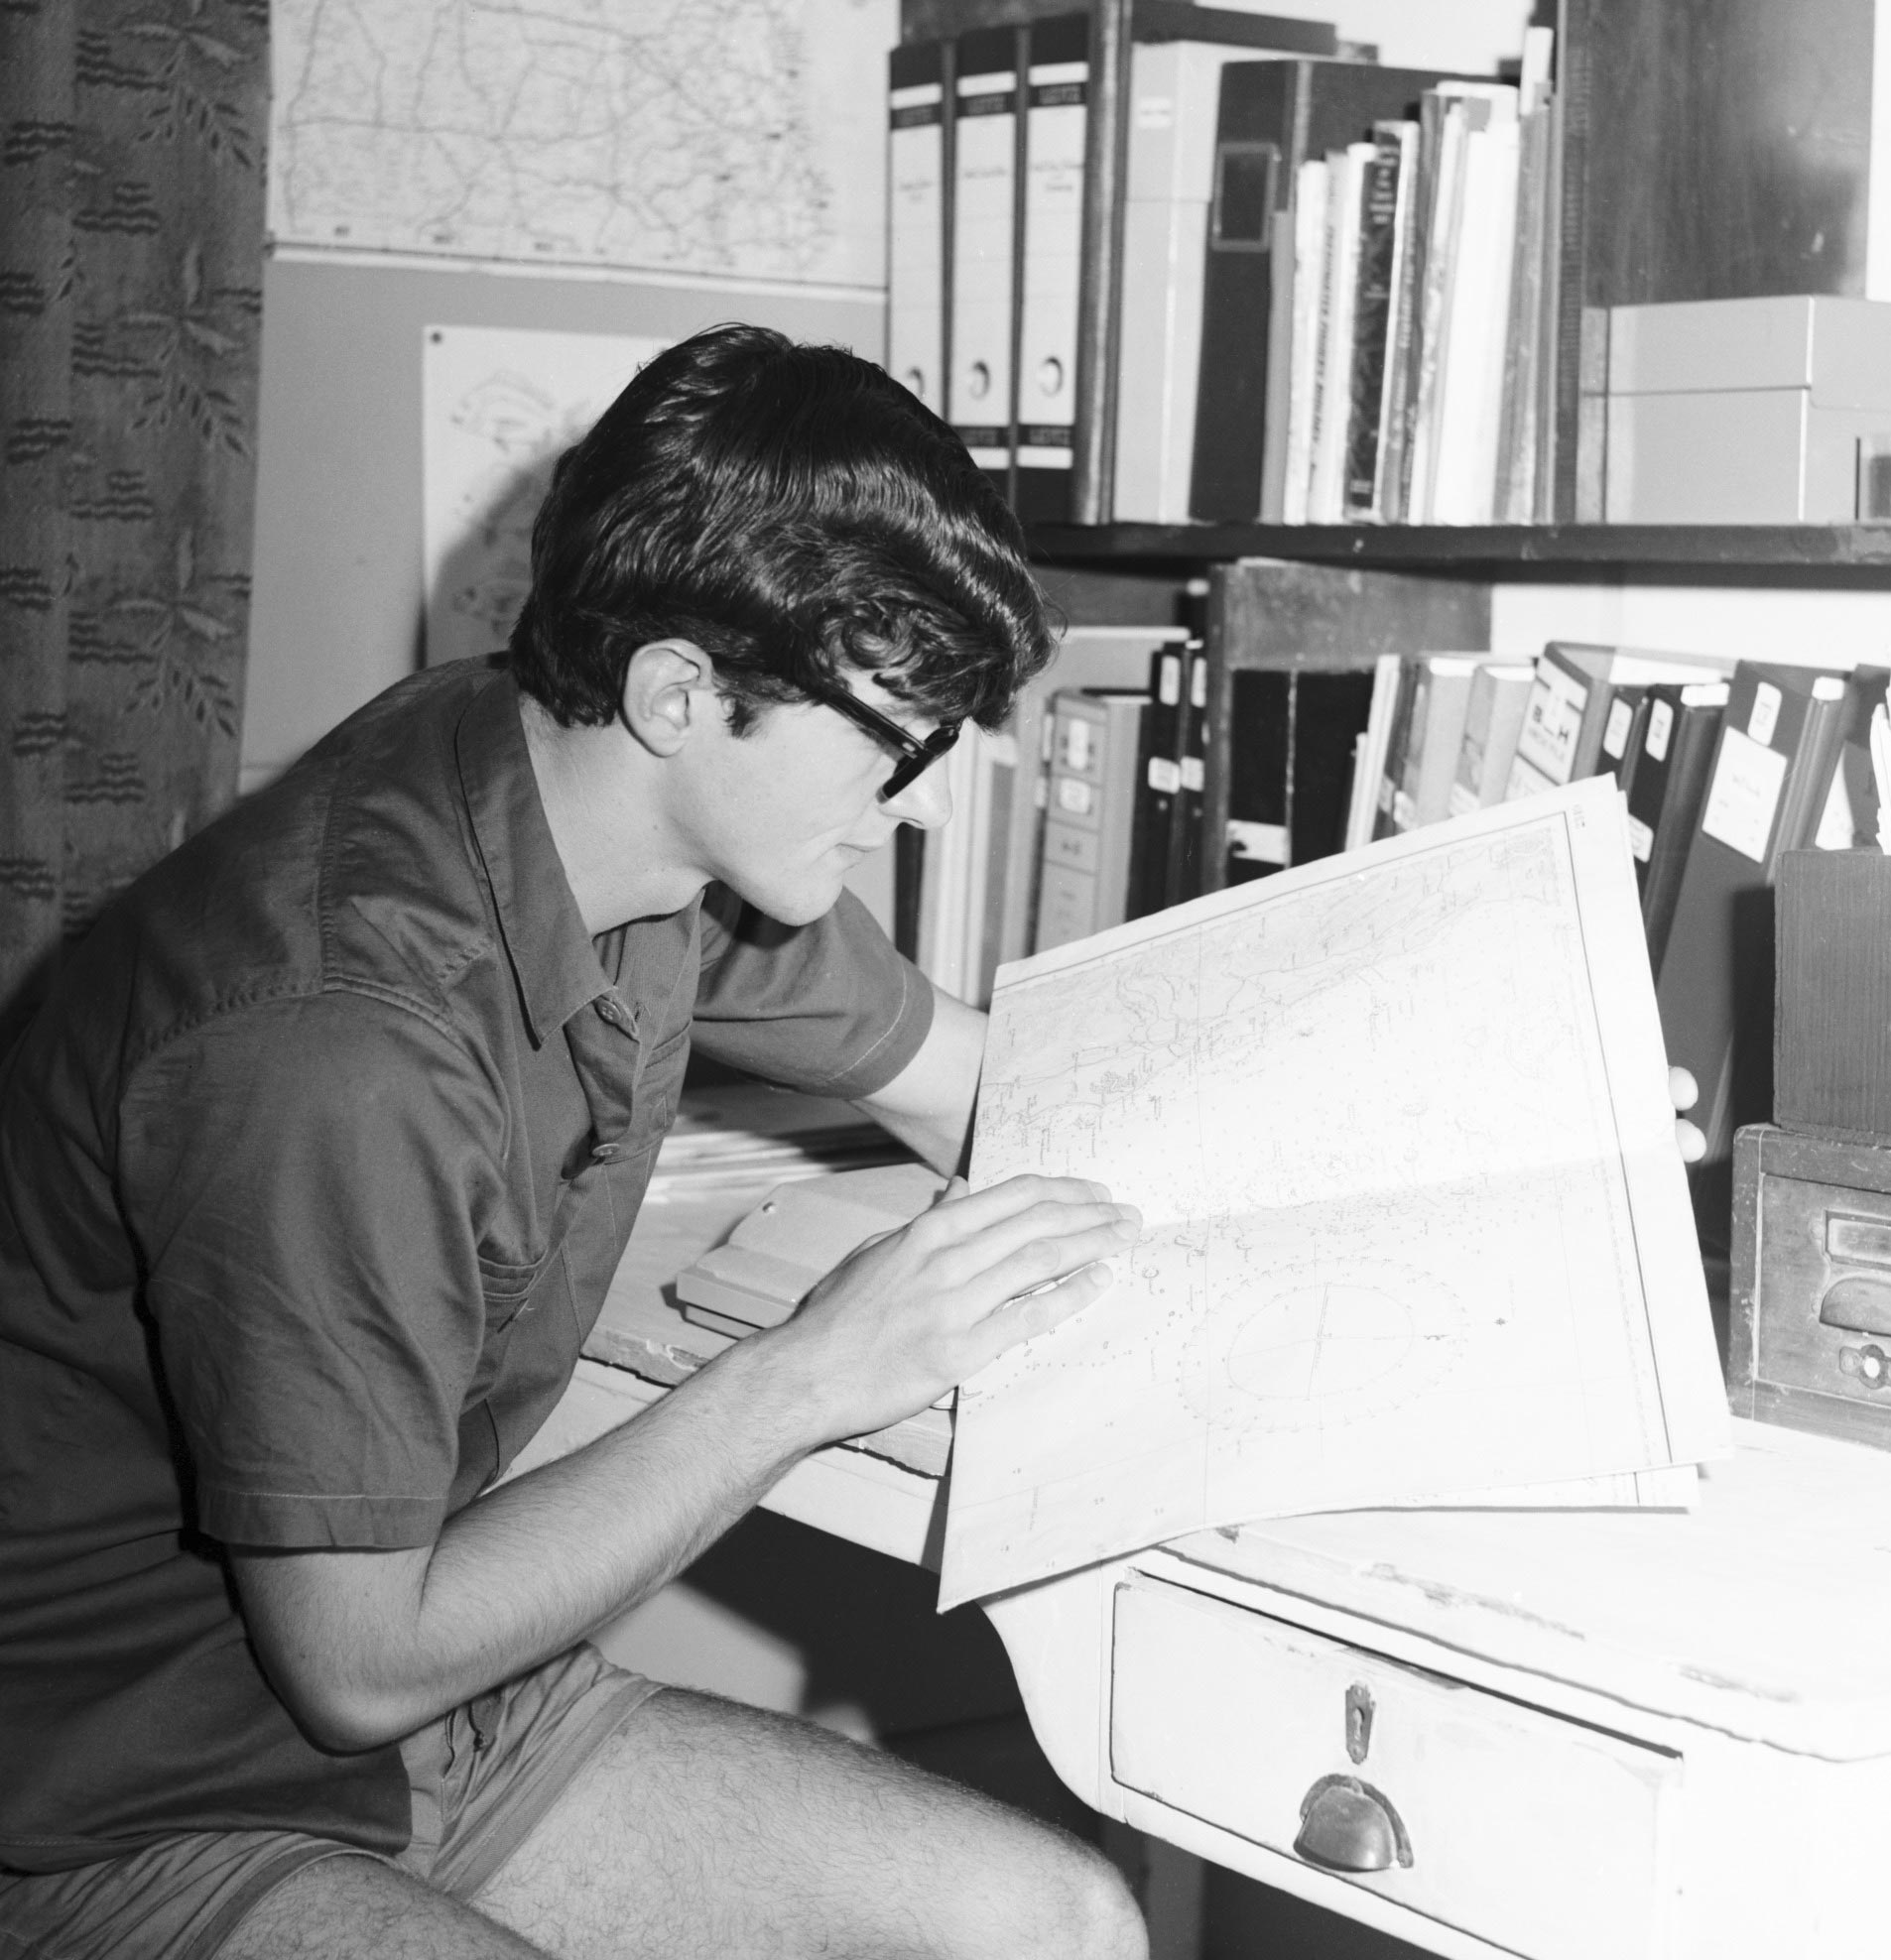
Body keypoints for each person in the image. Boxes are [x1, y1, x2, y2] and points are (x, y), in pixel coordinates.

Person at [0, 324, 1151, 1960]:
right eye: (896, 742)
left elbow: (974, 1082)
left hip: (420, 1730)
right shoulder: (337, 1049)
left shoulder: (612, 818)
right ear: (681, 692)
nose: (919, 799)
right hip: (122, 1788)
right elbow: (361, 1660)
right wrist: (817, 1375)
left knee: (1059, 1923)